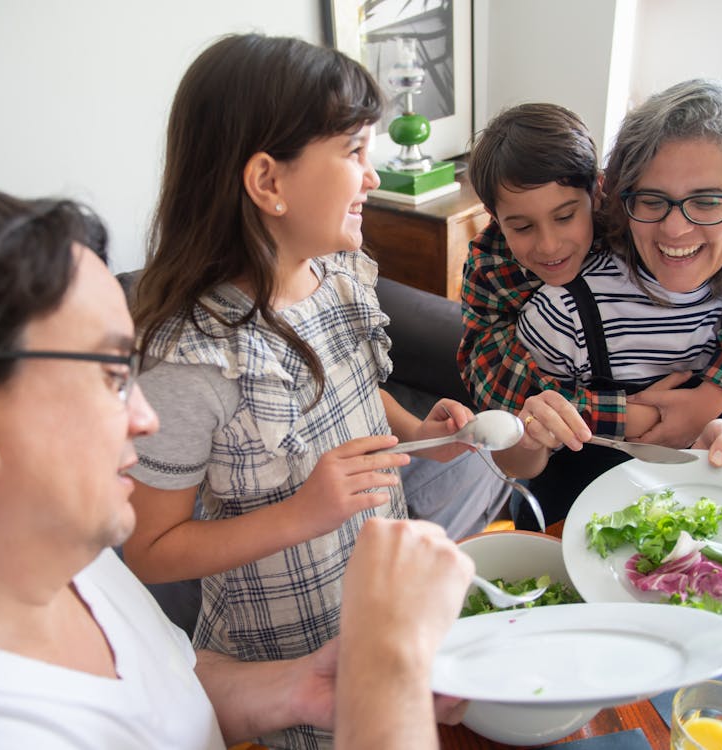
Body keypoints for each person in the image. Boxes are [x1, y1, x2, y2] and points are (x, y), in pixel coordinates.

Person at [0, 155, 475, 749]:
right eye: (114, 376)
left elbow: (165, 688)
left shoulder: (50, 552)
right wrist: (389, 672)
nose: (145, 418)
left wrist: (301, 689)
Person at [119, 35, 501, 748]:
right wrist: (303, 512)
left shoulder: (340, 275)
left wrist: (416, 434)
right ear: (269, 182)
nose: (372, 174)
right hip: (286, 657)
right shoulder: (191, 360)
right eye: (355, 151)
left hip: (376, 610)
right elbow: (148, 547)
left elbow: (356, 389)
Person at [495, 80, 722, 516]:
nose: (675, 230)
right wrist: (531, 434)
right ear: (621, 198)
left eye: (705, 202)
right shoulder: (566, 307)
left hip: (702, 531)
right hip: (568, 529)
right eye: (651, 200)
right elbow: (514, 463)